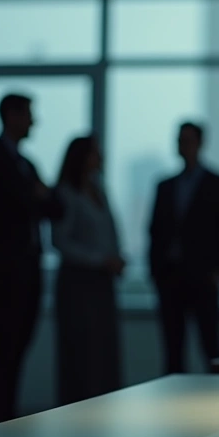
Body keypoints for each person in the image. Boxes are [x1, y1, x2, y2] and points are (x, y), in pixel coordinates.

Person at [0, 93, 63, 426]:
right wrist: (36, 196)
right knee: (2, 345)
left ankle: (4, 416)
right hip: (5, 266)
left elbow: (54, 207)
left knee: (18, 344)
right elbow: (19, 206)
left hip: (28, 266)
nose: (34, 122)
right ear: (11, 115)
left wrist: (36, 197)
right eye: (28, 114)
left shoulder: (25, 165)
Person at [148, 122, 219, 374]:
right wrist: (155, 273)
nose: (183, 145)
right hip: (170, 277)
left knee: (211, 346)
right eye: (180, 140)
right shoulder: (165, 186)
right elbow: (155, 232)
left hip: (204, 278)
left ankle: (218, 403)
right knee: (172, 351)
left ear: (200, 143)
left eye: (188, 140)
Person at [51, 135, 125, 405]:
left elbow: (110, 231)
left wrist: (115, 258)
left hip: (101, 284)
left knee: (103, 352)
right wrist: (99, 259)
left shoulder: (99, 190)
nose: (101, 158)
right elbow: (60, 241)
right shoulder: (65, 192)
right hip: (77, 284)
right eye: (95, 153)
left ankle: (103, 406)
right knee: (80, 353)